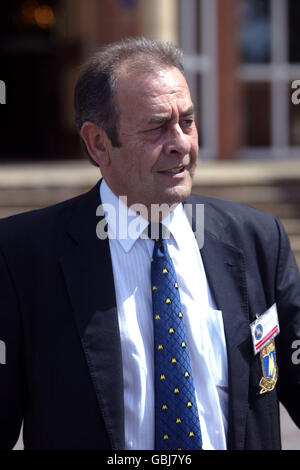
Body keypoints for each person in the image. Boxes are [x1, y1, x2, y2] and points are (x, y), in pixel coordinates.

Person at [0, 37, 299, 451]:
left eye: (188, 122)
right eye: (157, 127)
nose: (181, 143)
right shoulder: (23, 256)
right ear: (98, 143)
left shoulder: (257, 240)